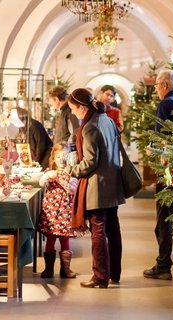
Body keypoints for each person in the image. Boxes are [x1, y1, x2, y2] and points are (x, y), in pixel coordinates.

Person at [66, 88, 126, 288]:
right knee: (113, 229)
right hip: (113, 182)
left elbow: (90, 161)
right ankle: (114, 273)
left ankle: (100, 276)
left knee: (98, 230)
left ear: (82, 108)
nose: (73, 113)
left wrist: (73, 170)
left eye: (73, 109)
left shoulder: (89, 126)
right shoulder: (107, 119)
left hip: (98, 187)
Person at [143, 69, 173, 281]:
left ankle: (163, 264)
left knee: (164, 217)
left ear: (164, 85)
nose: (156, 90)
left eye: (156, 86)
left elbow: (161, 136)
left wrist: (152, 150)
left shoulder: (166, 104)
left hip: (169, 169)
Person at [38, 143, 79, 278]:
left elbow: (72, 189)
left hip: (65, 212)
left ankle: (65, 269)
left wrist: (66, 176)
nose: (62, 160)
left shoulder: (72, 175)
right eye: (58, 157)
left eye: (64, 156)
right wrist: (48, 176)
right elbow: (41, 182)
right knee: (50, 238)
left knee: (65, 239)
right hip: (51, 213)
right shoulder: (50, 173)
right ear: (53, 159)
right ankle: (48, 269)